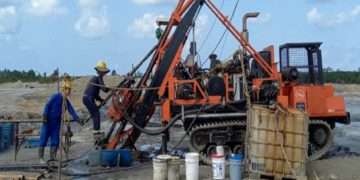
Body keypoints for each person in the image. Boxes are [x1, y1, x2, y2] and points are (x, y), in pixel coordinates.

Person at [39, 76, 79, 163]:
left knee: (55, 140)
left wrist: (78, 119)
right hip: (48, 121)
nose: (68, 91)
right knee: (44, 138)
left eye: (69, 90)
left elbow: (71, 110)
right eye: (66, 89)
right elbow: (47, 105)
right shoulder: (56, 96)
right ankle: (41, 158)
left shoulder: (66, 101)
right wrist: (45, 115)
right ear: (63, 89)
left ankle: (52, 157)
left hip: (56, 123)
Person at [82, 61, 110, 139]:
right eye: (103, 72)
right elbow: (104, 89)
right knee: (96, 113)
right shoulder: (97, 78)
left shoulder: (96, 79)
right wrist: (110, 89)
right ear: (100, 71)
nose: (104, 73)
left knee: (95, 113)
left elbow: (96, 95)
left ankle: (96, 130)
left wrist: (101, 100)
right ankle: (96, 132)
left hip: (88, 98)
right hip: (88, 98)